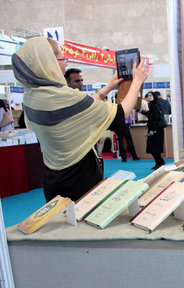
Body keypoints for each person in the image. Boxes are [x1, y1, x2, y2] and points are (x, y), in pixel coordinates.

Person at [12, 37, 148, 202]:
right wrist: (137, 82)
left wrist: (109, 86)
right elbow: (121, 114)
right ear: (49, 62)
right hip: (79, 180)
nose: (66, 64)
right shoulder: (63, 97)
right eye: (63, 59)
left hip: (53, 179)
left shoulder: (32, 97)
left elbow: (80, 106)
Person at [141, 91, 167, 169]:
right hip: (155, 129)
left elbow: (155, 119)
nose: (149, 97)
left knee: (155, 148)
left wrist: (152, 129)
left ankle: (159, 162)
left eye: (150, 95)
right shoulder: (153, 105)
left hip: (156, 130)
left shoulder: (155, 106)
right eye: (148, 95)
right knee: (153, 148)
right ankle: (159, 162)